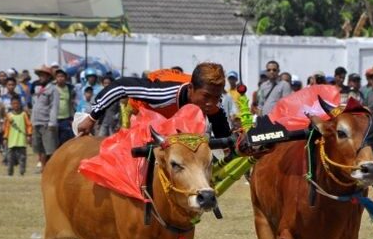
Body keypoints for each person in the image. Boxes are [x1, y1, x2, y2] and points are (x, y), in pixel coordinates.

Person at [76, 62, 233, 141]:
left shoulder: (210, 100)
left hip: (172, 117)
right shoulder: (163, 94)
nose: (211, 103)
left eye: (217, 97)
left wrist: (230, 146)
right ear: (191, 88)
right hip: (141, 111)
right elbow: (121, 86)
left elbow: (223, 133)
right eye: (206, 97)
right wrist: (91, 118)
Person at [30, 65, 59, 169]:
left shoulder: (53, 89)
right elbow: (35, 106)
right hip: (36, 122)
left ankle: (52, 169)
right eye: (39, 75)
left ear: (48, 77)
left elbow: (54, 107)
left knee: (50, 149)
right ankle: (43, 168)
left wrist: (52, 122)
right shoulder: (37, 88)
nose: (40, 77)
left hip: (47, 123)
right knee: (39, 149)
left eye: (42, 75)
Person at [2, 96, 32, 176]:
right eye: (14, 104)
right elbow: (6, 128)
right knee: (10, 158)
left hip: (21, 140)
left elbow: (28, 125)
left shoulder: (24, 114)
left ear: (20, 104)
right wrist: (5, 137)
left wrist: (29, 135)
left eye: (17, 103)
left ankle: (22, 171)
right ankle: (10, 172)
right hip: (11, 141)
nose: (16, 105)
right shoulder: (9, 115)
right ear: (11, 105)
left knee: (22, 157)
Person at [54, 69, 76, 145]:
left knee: (66, 141)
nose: (60, 78)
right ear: (55, 78)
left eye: (62, 76)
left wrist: (72, 118)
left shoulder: (70, 89)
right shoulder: (52, 89)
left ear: (65, 78)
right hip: (54, 119)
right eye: (58, 76)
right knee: (55, 141)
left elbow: (72, 103)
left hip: (66, 119)